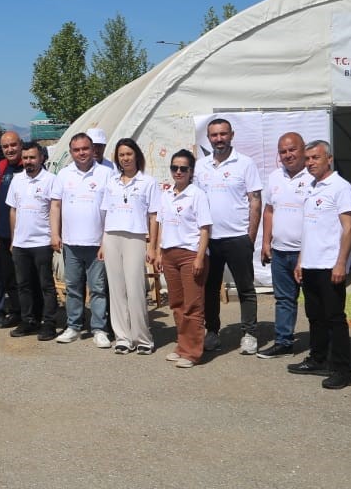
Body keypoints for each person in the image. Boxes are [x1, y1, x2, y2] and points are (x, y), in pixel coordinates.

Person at [288, 141, 351, 390]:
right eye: (307, 158)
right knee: (315, 316)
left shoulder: (341, 188)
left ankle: (342, 369)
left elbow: (349, 228)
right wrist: (301, 261)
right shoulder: (312, 187)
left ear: (329, 158)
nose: (310, 163)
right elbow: (309, 229)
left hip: (330, 264)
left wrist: (341, 263)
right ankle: (318, 359)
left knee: (334, 318)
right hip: (311, 264)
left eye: (315, 157)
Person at [195, 117, 262, 354]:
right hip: (210, 239)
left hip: (237, 237)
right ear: (208, 138)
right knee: (210, 289)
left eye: (223, 134)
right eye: (214, 135)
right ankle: (212, 332)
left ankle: (249, 334)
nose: (219, 139)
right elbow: (196, 202)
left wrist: (250, 237)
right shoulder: (200, 166)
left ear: (231, 135)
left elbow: (255, 201)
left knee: (245, 288)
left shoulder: (245, 163)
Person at [54, 132, 113, 346]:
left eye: (85, 148)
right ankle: (73, 327)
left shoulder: (106, 173)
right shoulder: (63, 174)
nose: (81, 153)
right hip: (71, 243)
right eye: (77, 150)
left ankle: (99, 329)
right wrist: (55, 233)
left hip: (97, 244)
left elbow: (112, 209)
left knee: (98, 288)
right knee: (73, 287)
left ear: (92, 149)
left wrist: (106, 240)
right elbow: (56, 205)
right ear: (71, 152)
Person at [102, 138, 160, 355]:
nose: (125, 158)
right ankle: (123, 337)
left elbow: (154, 216)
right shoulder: (111, 183)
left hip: (135, 237)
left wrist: (153, 247)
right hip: (111, 236)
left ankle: (142, 337)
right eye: (121, 155)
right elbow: (105, 214)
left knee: (135, 289)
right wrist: (102, 242)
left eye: (129, 154)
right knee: (116, 289)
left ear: (136, 155)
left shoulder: (148, 182)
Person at [155, 150, 212, 369]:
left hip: (190, 254)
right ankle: (182, 346)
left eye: (183, 168)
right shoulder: (166, 194)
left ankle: (193, 352)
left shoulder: (197, 195)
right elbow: (161, 225)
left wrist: (200, 258)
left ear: (191, 171)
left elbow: (205, 229)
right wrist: (159, 252)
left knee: (193, 305)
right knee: (177, 304)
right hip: (169, 254)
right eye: (174, 168)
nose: (178, 172)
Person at [259, 132, 309, 359]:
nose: (287, 155)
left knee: (314, 301)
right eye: (283, 151)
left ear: (303, 149)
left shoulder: (313, 177)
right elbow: (269, 210)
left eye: (292, 149)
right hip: (280, 251)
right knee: (284, 300)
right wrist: (265, 242)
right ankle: (283, 342)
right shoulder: (275, 177)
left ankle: (321, 346)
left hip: (307, 253)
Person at [6, 141, 62, 341]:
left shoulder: (51, 180)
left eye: (32, 157)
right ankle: (29, 320)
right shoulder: (17, 180)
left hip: (42, 242)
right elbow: (13, 211)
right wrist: (13, 239)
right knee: (24, 285)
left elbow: (55, 209)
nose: (28, 161)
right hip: (21, 244)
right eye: (25, 158)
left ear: (41, 158)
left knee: (46, 285)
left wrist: (54, 236)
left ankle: (49, 323)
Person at [0, 130, 26, 328]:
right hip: (4, 232)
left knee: (27, 277)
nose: (10, 149)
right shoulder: (0, 169)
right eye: (5, 146)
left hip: (26, 234)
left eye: (13, 145)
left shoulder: (29, 166)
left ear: (21, 145)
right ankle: (16, 311)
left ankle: (32, 313)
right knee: (9, 276)